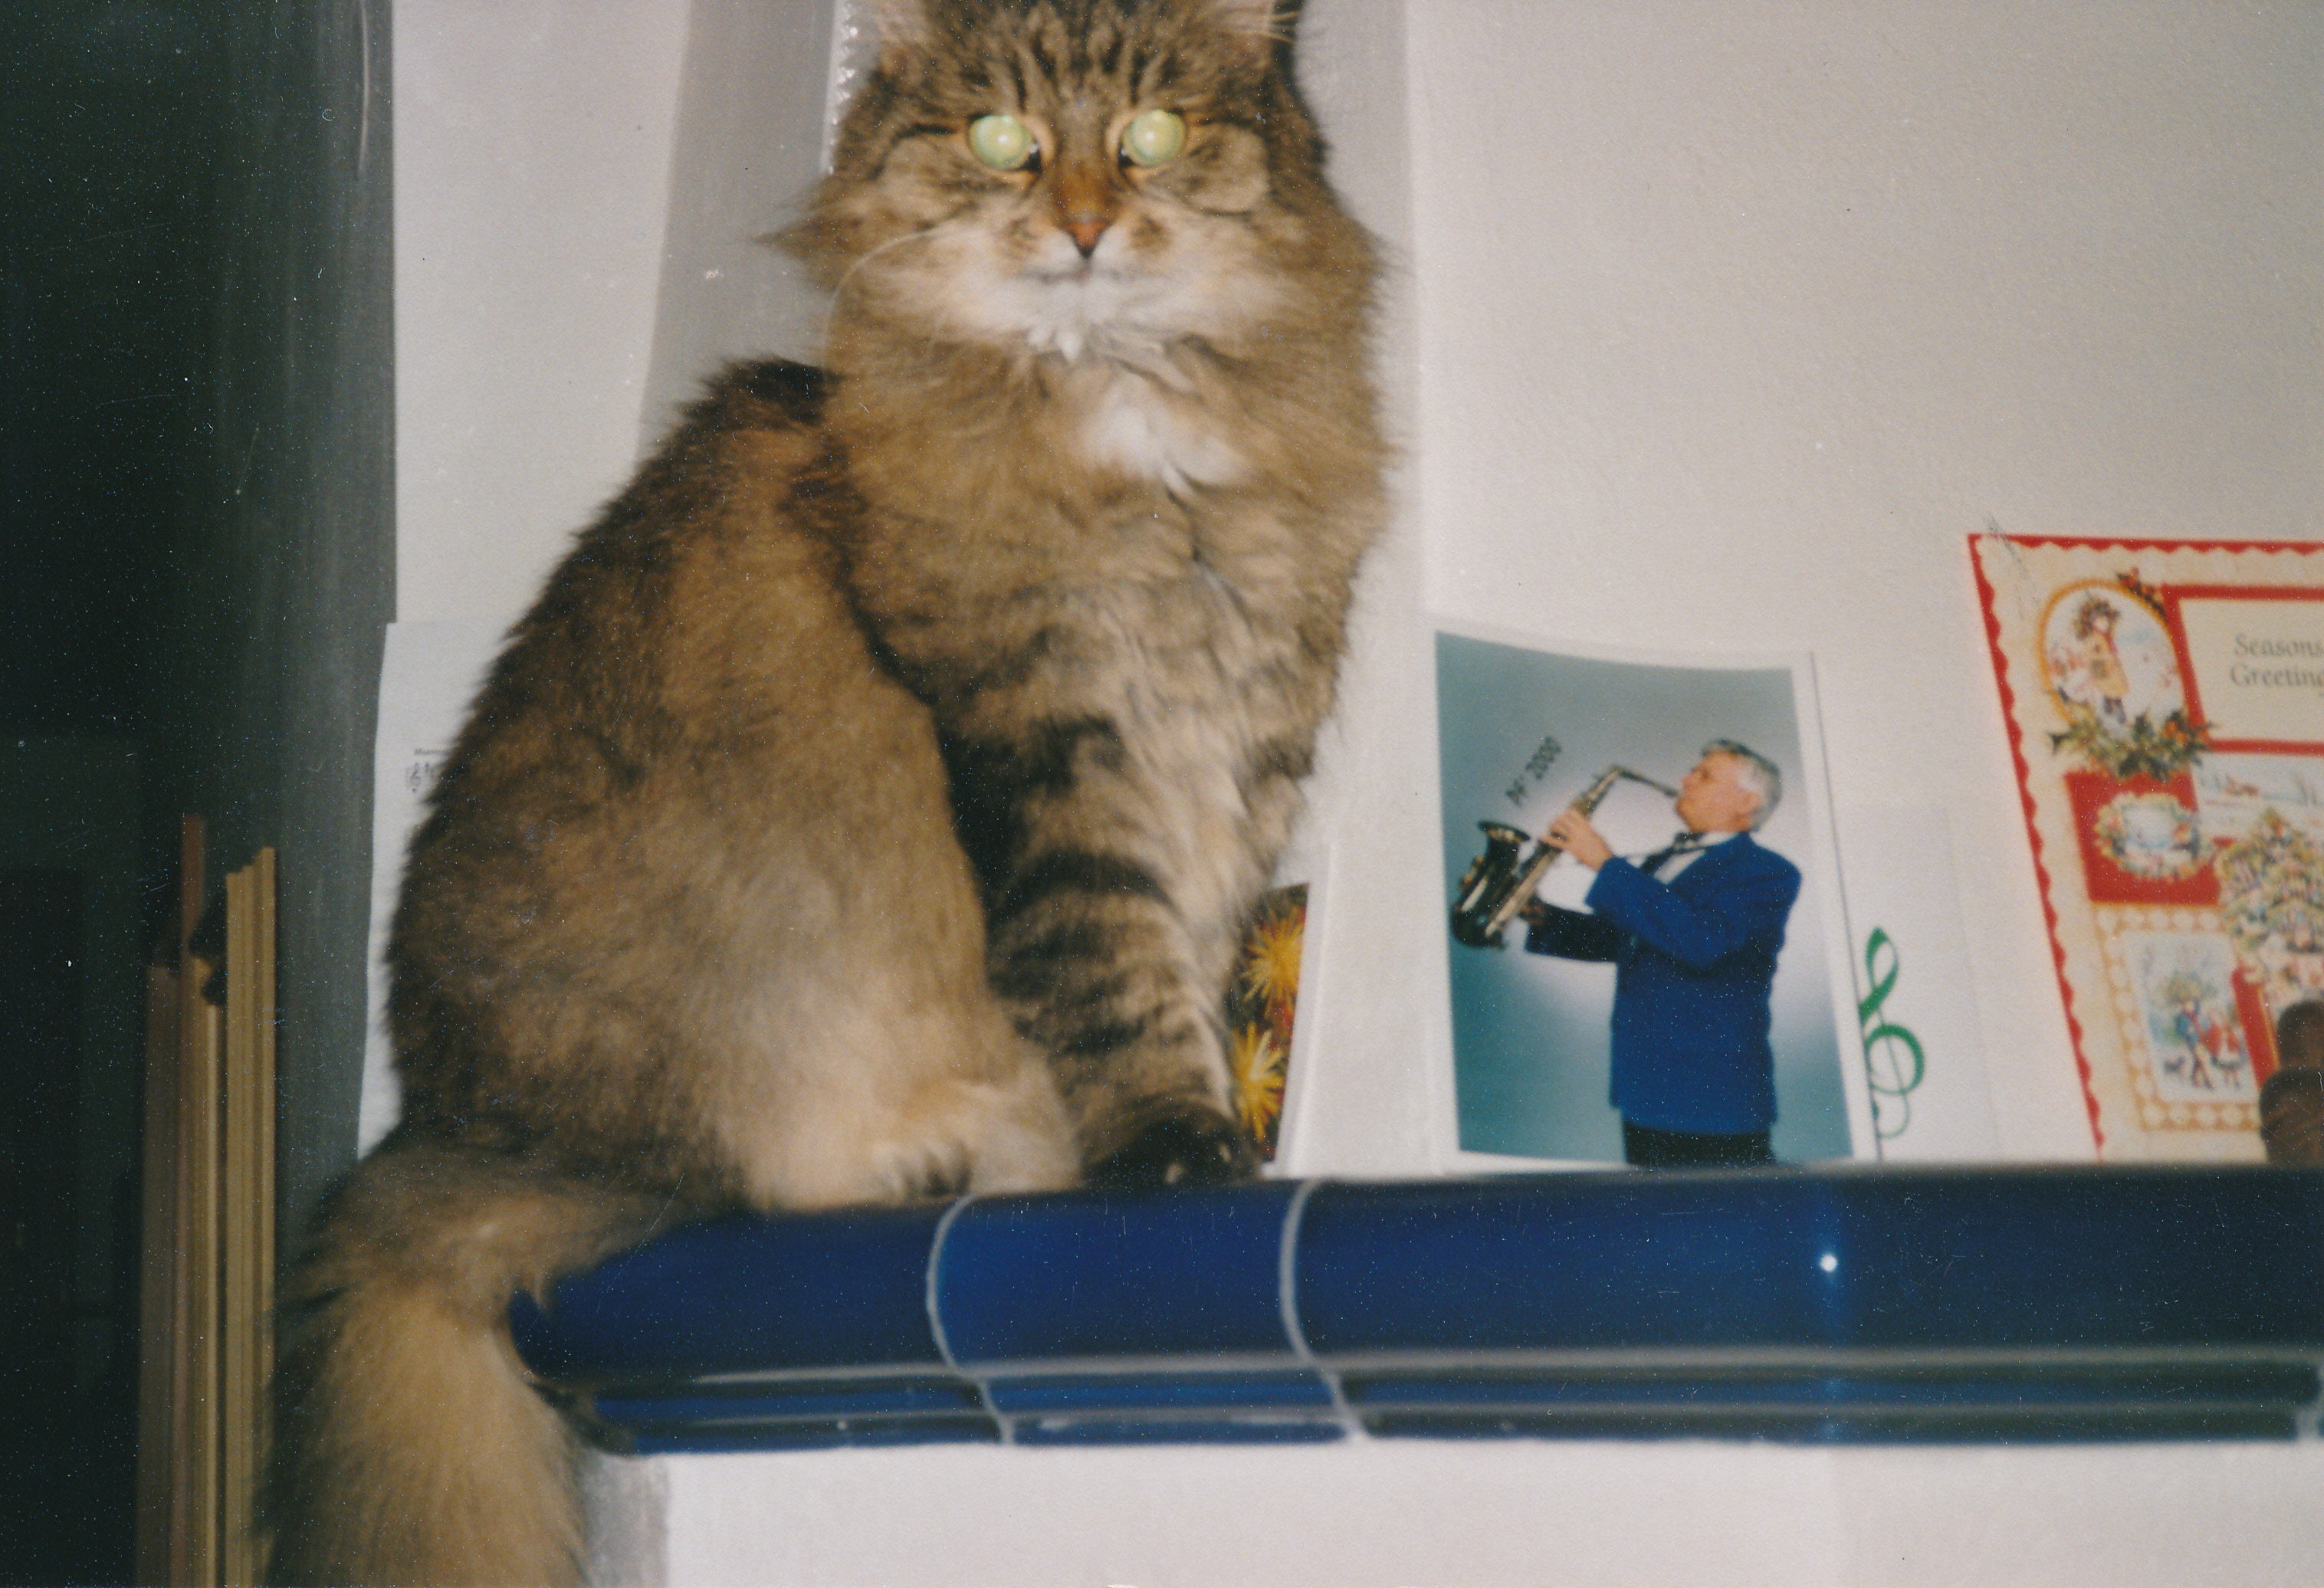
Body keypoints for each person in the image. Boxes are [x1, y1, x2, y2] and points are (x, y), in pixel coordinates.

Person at [1518, 740, 1800, 1169]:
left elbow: (1703, 943)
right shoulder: (1667, 859)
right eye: (1693, 770)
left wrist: (1606, 864)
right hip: (1645, 1090)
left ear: (1746, 802)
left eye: (1704, 775)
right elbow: (1628, 942)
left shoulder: (1768, 872)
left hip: (1713, 1099)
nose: (1686, 779)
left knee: (1722, 1212)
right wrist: (1542, 916)